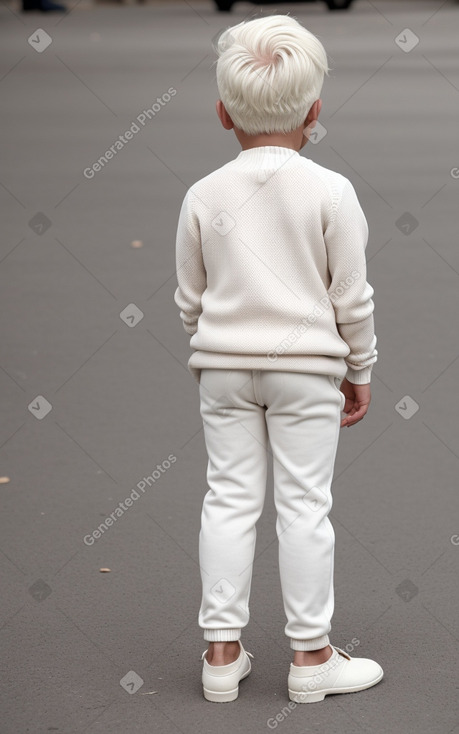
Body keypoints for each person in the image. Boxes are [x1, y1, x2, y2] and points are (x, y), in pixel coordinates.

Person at [174, 13, 383, 704]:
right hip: (308, 370)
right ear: (314, 112)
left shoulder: (202, 194)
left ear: (222, 114)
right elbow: (349, 297)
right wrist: (359, 368)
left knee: (228, 498)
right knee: (303, 507)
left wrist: (213, 340)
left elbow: (188, 296)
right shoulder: (330, 191)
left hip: (223, 368)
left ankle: (220, 654)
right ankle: (310, 658)